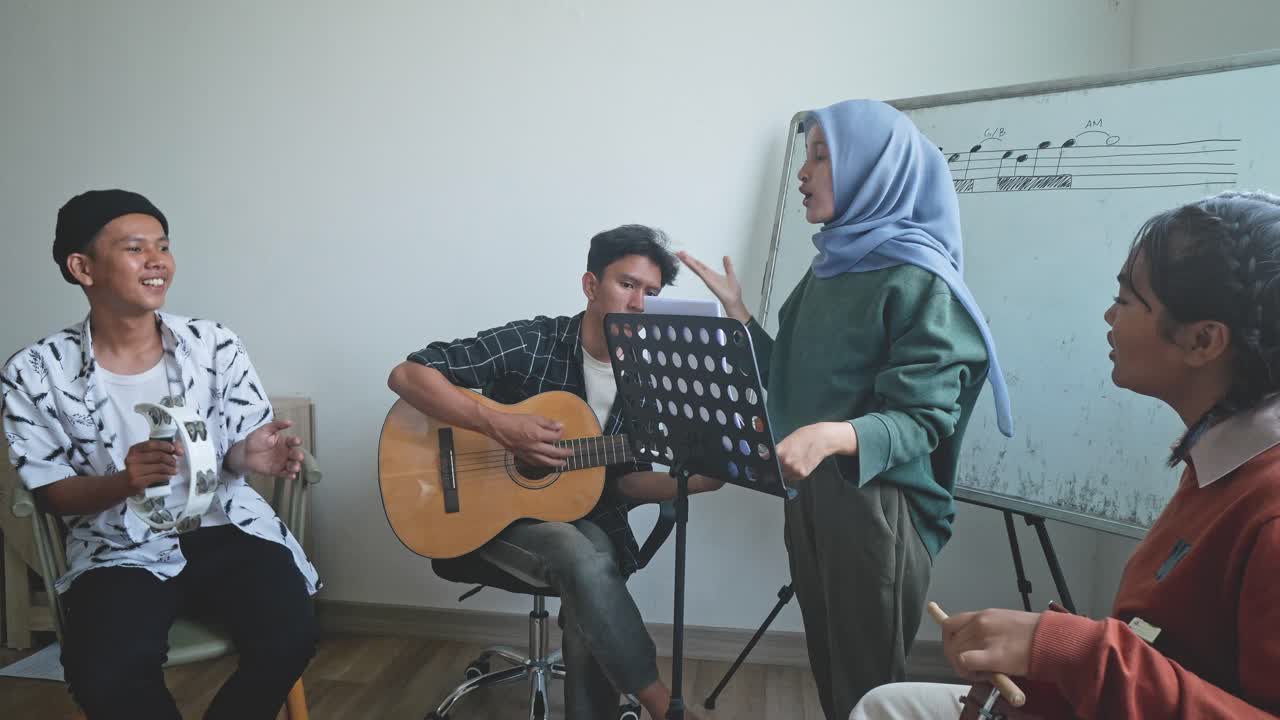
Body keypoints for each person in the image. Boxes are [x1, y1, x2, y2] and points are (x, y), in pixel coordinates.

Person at [850, 191, 1280, 719]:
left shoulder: (1268, 507)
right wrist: (1049, 666)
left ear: (1204, 341)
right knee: (888, 706)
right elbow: (1168, 650)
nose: (1108, 314)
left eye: (1126, 301)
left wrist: (1073, 651)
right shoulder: (1220, 456)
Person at [679, 99, 1013, 719]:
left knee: (868, 683)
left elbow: (923, 417)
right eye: (806, 156)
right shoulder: (832, 266)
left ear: (874, 168)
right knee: (830, 666)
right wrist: (740, 317)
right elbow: (798, 376)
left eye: (821, 156)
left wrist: (831, 438)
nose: (803, 173)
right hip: (814, 495)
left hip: (876, 505)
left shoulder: (921, 280)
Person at [1, 189, 319, 720]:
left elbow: (238, 449)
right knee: (104, 670)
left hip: (225, 527)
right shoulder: (35, 371)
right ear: (82, 267)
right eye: (134, 248)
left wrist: (249, 456)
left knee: (292, 633)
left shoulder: (214, 344)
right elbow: (52, 492)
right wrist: (122, 483)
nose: (157, 261)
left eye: (163, 246)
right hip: (118, 545)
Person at [387, 224, 723, 720]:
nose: (638, 303)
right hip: (479, 518)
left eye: (651, 293)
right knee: (582, 559)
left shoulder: (646, 380)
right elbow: (408, 375)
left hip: (586, 520)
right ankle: (659, 704)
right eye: (627, 284)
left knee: (593, 559)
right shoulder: (536, 342)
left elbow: (627, 480)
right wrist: (502, 426)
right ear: (590, 285)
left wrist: (696, 481)